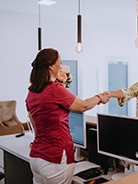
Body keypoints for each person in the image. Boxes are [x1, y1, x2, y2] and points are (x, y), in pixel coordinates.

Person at [25, 48, 110, 184]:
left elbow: (35, 127)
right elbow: (83, 106)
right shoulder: (55, 89)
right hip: (55, 158)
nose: (61, 65)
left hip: (37, 157)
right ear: (51, 65)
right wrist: (99, 97)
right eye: (60, 61)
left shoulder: (31, 93)